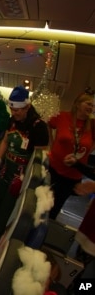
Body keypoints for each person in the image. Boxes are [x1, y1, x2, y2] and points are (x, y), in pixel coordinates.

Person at [0, 86, 49, 245]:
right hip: (7, 169)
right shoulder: (12, 120)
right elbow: (6, 141)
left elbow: (38, 159)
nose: (14, 114)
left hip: (20, 175)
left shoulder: (38, 126)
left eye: (17, 111)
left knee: (7, 207)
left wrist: (25, 179)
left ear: (27, 107)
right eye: (12, 109)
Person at [47, 90, 95, 220]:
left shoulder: (93, 125)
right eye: (88, 104)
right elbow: (47, 124)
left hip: (72, 176)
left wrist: (86, 153)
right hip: (53, 168)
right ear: (78, 104)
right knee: (41, 202)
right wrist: (51, 144)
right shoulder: (63, 116)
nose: (91, 107)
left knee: (53, 210)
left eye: (93, 105)